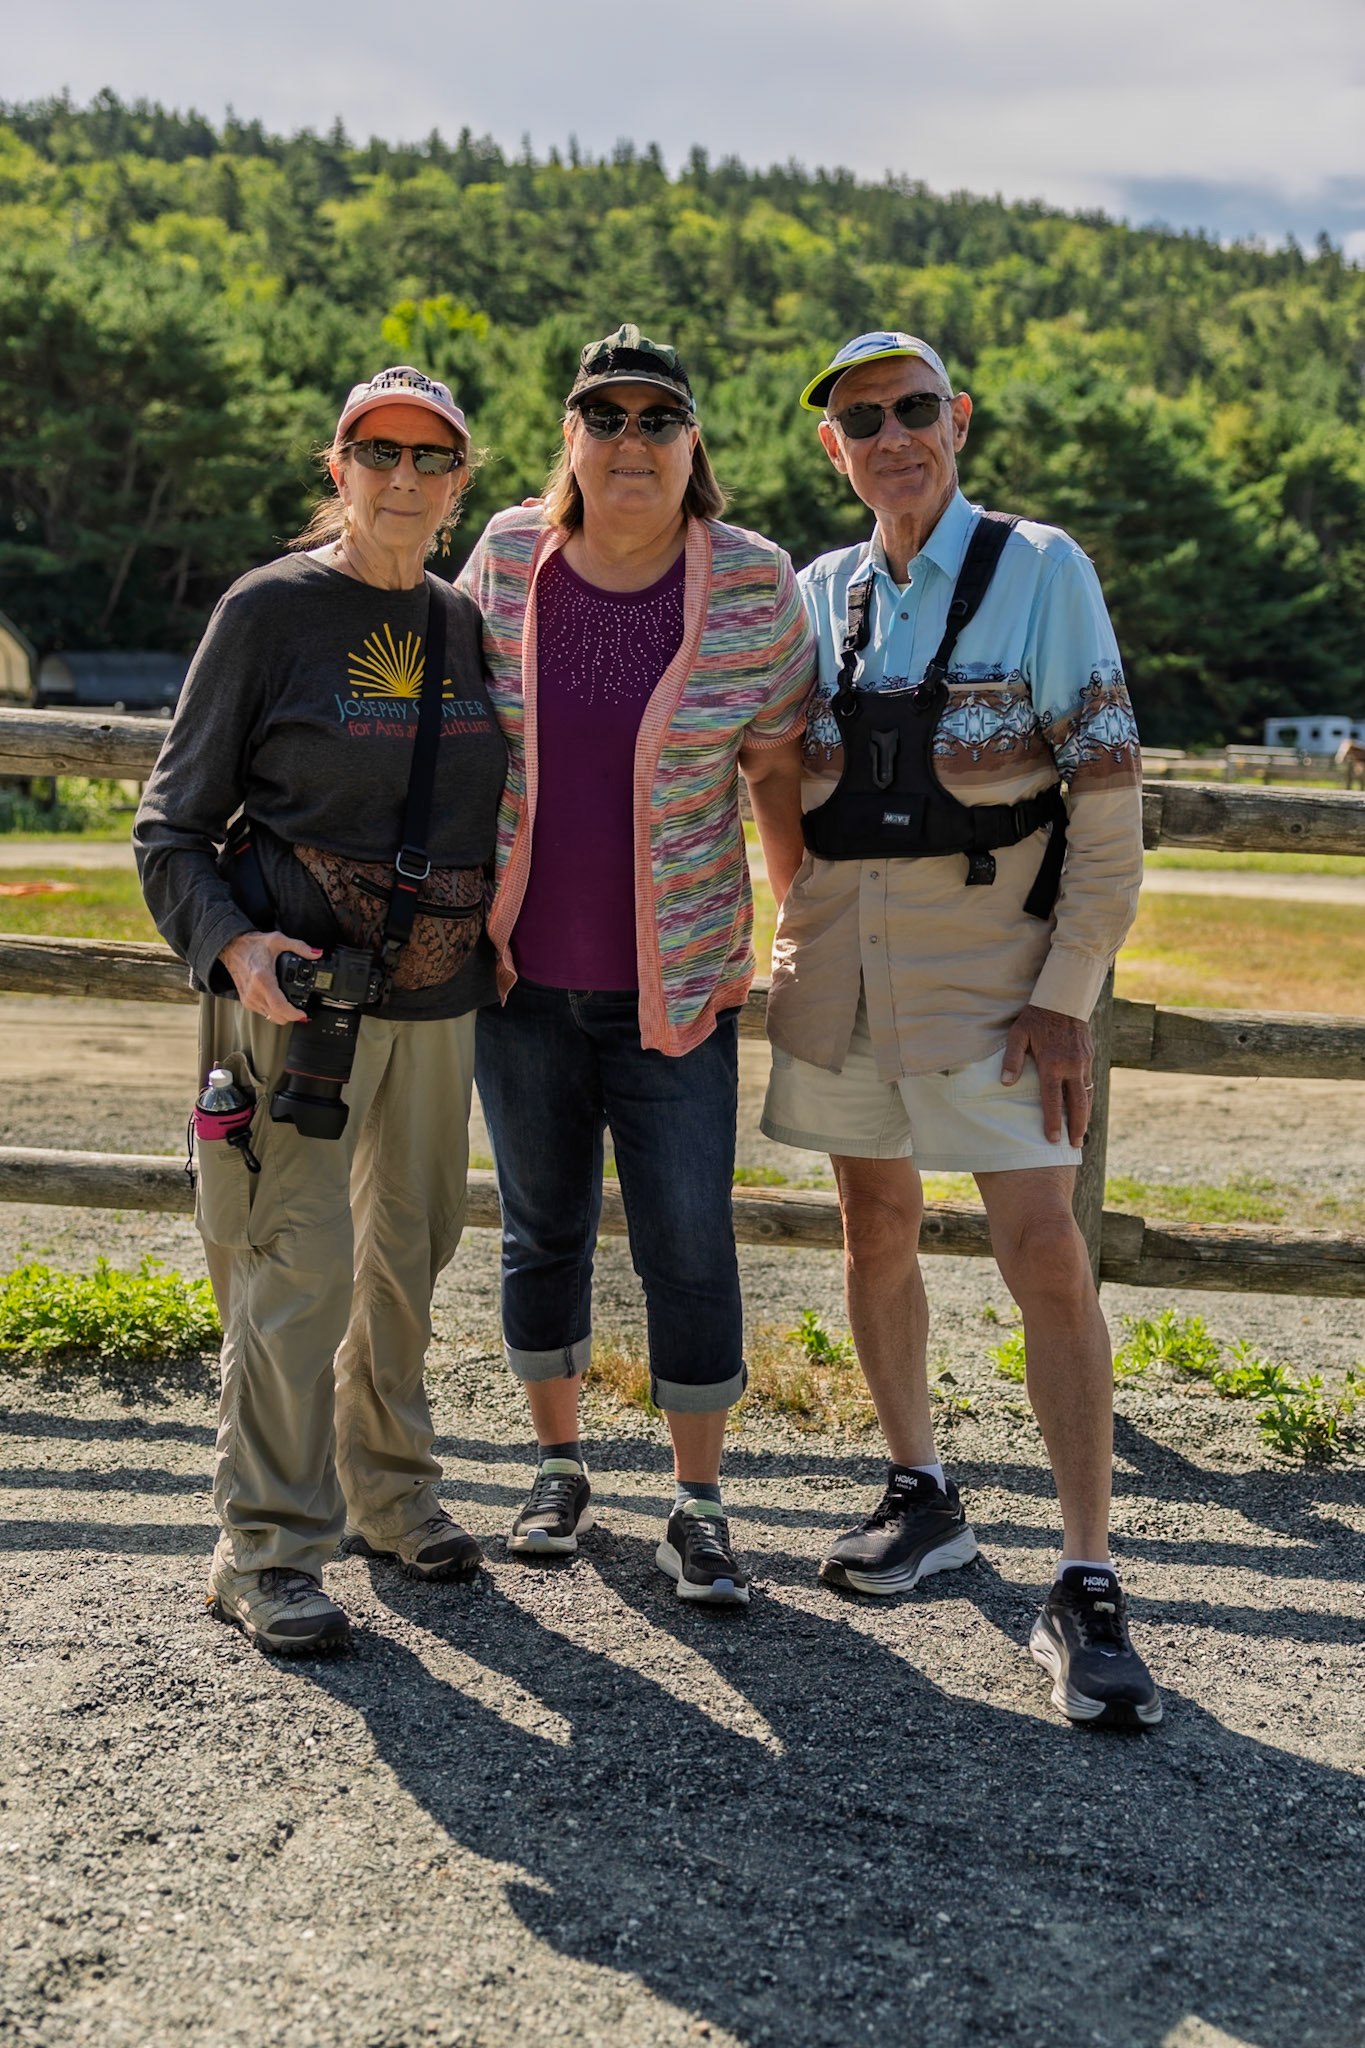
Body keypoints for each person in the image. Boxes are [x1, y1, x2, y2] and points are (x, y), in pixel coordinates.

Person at [761, 330, 1161, 1726]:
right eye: (862, 419)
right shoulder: (817, 592)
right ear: (834, 448)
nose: (892, 437)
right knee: (873, 1221)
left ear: (959, 419)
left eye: (913, 408)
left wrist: (1067, 995)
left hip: (998, 980)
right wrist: (792, 916)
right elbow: (771, 769)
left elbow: (1107, 802)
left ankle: (1086, 1573)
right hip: (849, 968)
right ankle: (921, 1491)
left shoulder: (1042, 570)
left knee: (1044, 1247)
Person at [135, 366, 508, 1654]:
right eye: (378, 452)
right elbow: (170, 827)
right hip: (296, 1002)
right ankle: (268, 1547)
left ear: (459, 484)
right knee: (298, 1266)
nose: (404, 477)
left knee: (411, 1253)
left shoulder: (464, 624)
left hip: (435, 1000)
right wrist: (234, 949)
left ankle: (390, 1495)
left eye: (431, 457)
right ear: (337, 467)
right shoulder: (268, 611)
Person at [459, 325, 814, 1606]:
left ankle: (698, 1501)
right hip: (521, 984)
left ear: (692, 441)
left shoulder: (756, 585)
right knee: (541, 1230)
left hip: (679, 988)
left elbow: (776, 767)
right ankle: (557, 1465)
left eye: (657, 419)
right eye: (604, 418)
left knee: (690, 1240)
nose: (630, 442)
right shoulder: (506, 559)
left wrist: (795, 919)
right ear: (569, 437)